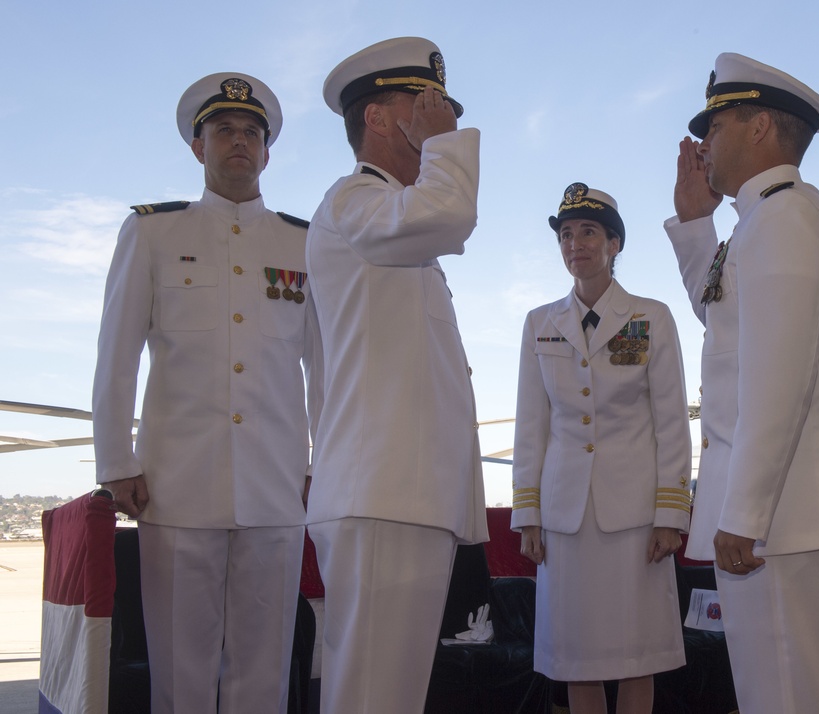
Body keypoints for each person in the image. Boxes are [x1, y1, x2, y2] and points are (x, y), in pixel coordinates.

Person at [92, 72, 321, 714]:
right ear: (199, 147)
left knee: (264, 669)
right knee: (179, 671)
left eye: (251, 132)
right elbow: (117, 354)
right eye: (224, 131)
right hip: (177, 484)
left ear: (268, 153)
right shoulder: (153, 233)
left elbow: (323, 365)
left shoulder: (304, 243)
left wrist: (321, 464)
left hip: (277, 485)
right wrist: (116, 461)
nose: (239, 141)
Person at [663, 53, 819, 713]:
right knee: (774, 697)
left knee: (793, 698)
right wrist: (696, 225)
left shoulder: (785, 219)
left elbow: (778, 379)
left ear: (758, 128)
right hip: (777, 515)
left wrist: (745, 515)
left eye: (715, 125)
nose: (704, 144)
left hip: (782, 516)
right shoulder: (761, 222)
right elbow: (722, 317)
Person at [304, 37, 489, 713]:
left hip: (405, 496)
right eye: (425, 104)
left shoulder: (394, 223)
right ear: (378, 119)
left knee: (392, 696)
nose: (442, 116)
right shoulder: (355, 200)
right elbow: (449, 214)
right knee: (373, 698)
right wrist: (447, 146)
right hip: (380, 494)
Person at [512, 184, 692, 714]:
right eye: (566, 234)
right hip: (565, 518)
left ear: (614, 243)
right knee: (576, 657)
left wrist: (670, 514)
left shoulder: (651, 317)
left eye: (588, 232)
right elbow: (531, 425)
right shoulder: (540, 323)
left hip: (635, 517)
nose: (575, 244)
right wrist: (528, 514)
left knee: (638, 655)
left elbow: (671, 423)